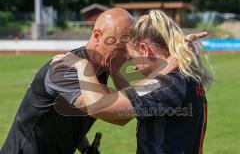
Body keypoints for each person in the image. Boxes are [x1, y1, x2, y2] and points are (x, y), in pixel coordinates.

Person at [54, 10, 213, 154]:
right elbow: (138, 92)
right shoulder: (183, 78)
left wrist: (83, 66)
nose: (132, 65)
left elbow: (99, 106)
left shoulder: (167, 84)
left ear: (144, 50)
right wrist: (174, 57)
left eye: (131, 57)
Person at [0, 8, 134, 154]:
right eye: (122, 47)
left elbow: (68, 118)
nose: (128, 56)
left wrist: (84, 148)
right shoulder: (64, 69)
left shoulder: (100, 70)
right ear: (97, 36)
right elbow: (118, 114)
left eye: (130, 47)